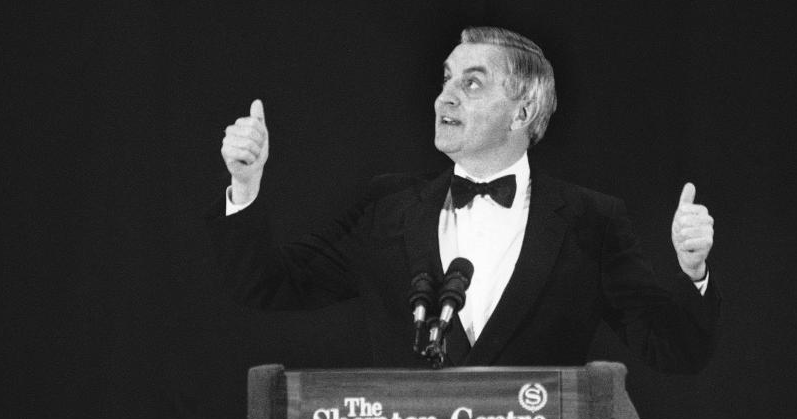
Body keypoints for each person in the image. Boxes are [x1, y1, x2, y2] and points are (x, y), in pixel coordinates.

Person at [209, 27, 718, 371]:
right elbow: (268, 287)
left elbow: (674, 351)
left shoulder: (591, 220)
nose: (444, 97)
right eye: (447, 79)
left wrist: (692, 272)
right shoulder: (385, 207)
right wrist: (245, 185)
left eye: (471, 84)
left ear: (521, 115)